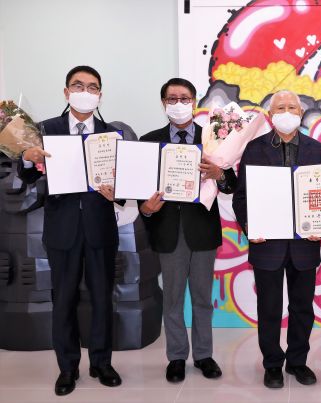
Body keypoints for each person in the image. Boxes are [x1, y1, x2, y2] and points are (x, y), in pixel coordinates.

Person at [18, 65, 122, 396]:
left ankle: (102, 363)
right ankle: (67, 367)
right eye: (78, 86)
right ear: (66, 92)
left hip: (100, 229)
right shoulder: (45, 129)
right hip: (62, 229)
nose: (85, 92)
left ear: (100, 95)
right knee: (63, 299)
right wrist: (26, 157)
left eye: (92, 87)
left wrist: (117, 192)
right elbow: (28, 175)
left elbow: (124, 184)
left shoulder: (111, 135)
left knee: (103, 298)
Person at [138, 78, 236, 383]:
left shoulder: (213, 138)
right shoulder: (148, 141)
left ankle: (204, 355)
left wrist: (220, 174)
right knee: (173, 298)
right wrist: (145, 208)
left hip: (202, 230)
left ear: (194, 102)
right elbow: (139, 188)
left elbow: (230, 185)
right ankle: (177, 356)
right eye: (172, 98)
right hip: (168, 230)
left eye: (184, 98)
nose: (178, 104)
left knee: (203, 298)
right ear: (163, 103)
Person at [232, 90, 321, 389]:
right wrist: (251, 226)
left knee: (302, 308)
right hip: (267, 245)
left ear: (301, 113)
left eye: (292, 107)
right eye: (280, 108)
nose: (286, 113)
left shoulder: (317, 150)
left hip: (305, 244)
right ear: (270, 114)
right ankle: (272, 364)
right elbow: (241, 197)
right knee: (270, 309)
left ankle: (297, 361)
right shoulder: (254, 149)